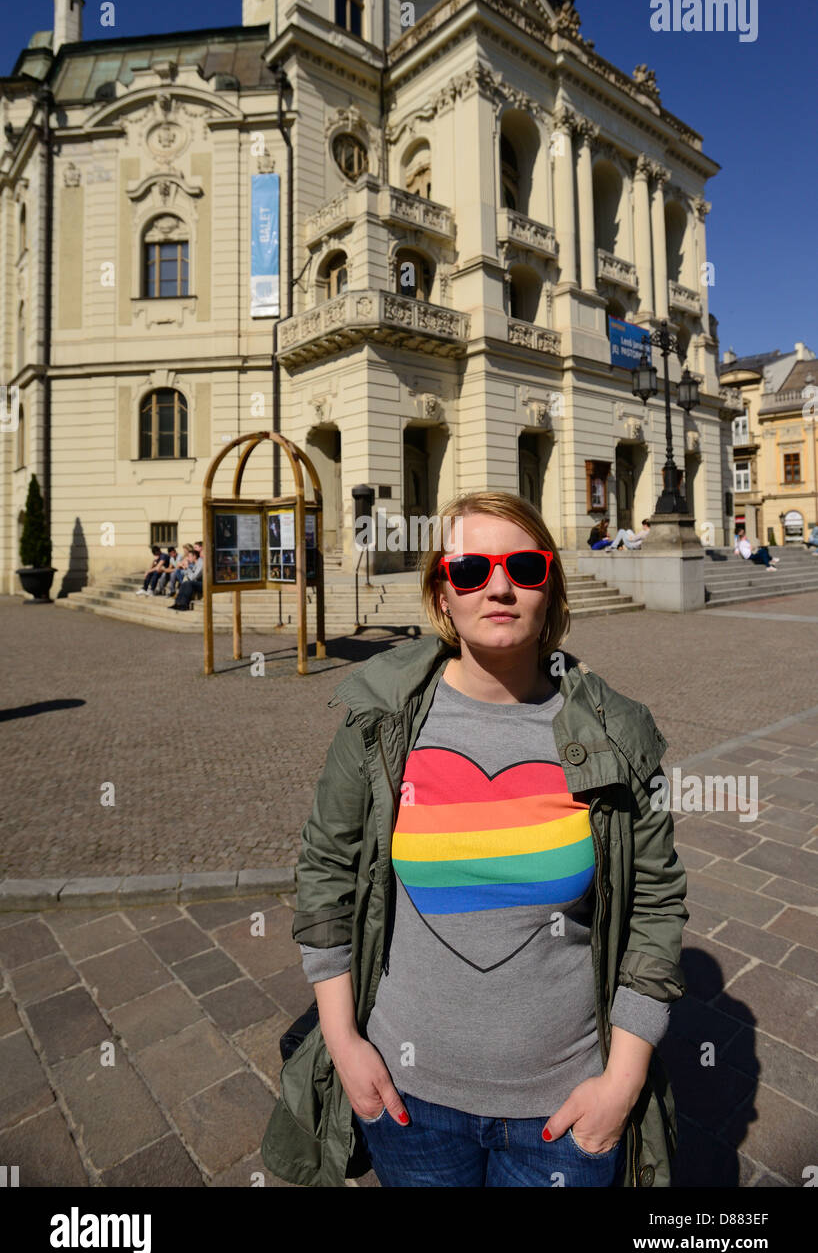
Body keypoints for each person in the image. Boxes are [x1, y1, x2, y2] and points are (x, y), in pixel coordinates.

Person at [261, 489, 688, 1189]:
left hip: (565, 1110)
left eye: (524, 566)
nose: (497, 586)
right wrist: (343, 1044)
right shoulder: (378, 722)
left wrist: (622, 1081)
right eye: (469, 570)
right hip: (408, 1102)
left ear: (550, 585)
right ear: (442, 593)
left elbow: (655, 907)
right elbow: (326, 876)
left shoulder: (616, 730)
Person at [169, 542, 203, 610]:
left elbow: (193, 577)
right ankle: (177, 603)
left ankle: (184, 604)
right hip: (197, 582)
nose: (188, 558)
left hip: (203, 584)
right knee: (185, 583)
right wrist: (185, 569)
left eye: (190, 556)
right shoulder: (196, 563)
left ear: (194, 556)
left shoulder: (201, 563)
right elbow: (190, 574)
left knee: (188, 583)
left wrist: (187, 568)